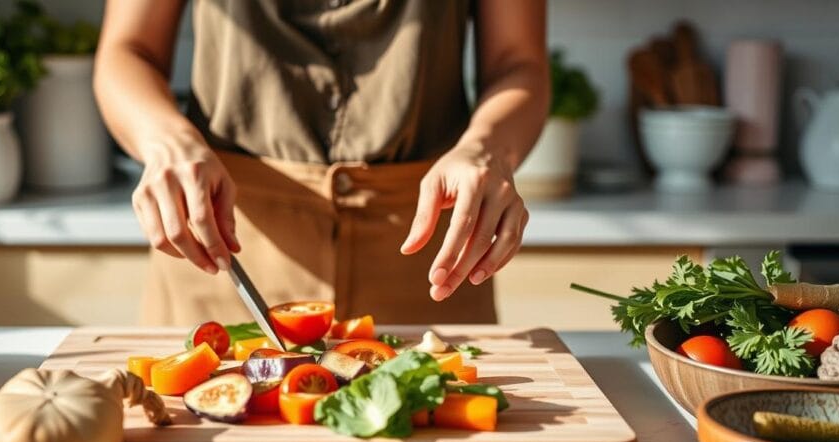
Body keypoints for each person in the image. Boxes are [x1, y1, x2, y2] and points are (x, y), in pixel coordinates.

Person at [94, 0, 548, 326]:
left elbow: (518, 62)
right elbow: (128, 50)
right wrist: (166, 140)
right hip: (227, 250)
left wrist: (486, 148)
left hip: (427, 257)